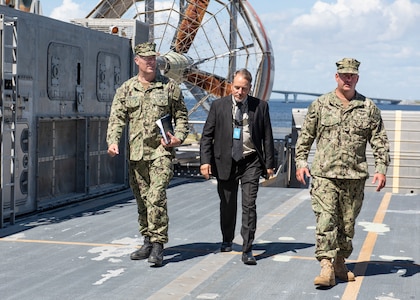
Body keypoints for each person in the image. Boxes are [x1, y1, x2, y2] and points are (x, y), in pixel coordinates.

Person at [295, 58, 390, 286]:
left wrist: (381, 169)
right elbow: (305, 137)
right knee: (326, 220)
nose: (348, 79)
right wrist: (301, 162)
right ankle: (326, 267)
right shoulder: (320, 105)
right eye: (344, 75)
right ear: (336, 77)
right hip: (325, 176)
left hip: (354, 177)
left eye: (352, 75)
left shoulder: (368, 108)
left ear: (357, 78)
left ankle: (339, 261)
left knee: (347, 225)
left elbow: (379, 141)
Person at [106, 42, 189, 267]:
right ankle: (148, 240)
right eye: (146, 58)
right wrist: (113, 141)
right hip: (136, 154)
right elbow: (116, 118)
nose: (151, 62)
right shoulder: (126, 89)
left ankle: (159, 244)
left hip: (161, 152)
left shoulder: (169, 87)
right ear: (137, 61)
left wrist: (177, 138)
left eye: (153, 58)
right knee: (142, 200)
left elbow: (181, 116)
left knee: (156, 196)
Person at [200, 68, 275, 265]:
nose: (239, 92)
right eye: (236, 87)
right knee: (227, 204)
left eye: (243, 88)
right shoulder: (218, 106)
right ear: (231, 86)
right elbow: (207, 135)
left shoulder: (261, 107)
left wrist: (269, 164)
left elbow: (267, 136)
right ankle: (227, 239)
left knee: (249, 205)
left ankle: (247, 248)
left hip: (251, 161)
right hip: (225, 161)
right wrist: (205, 161)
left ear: (250, 88)